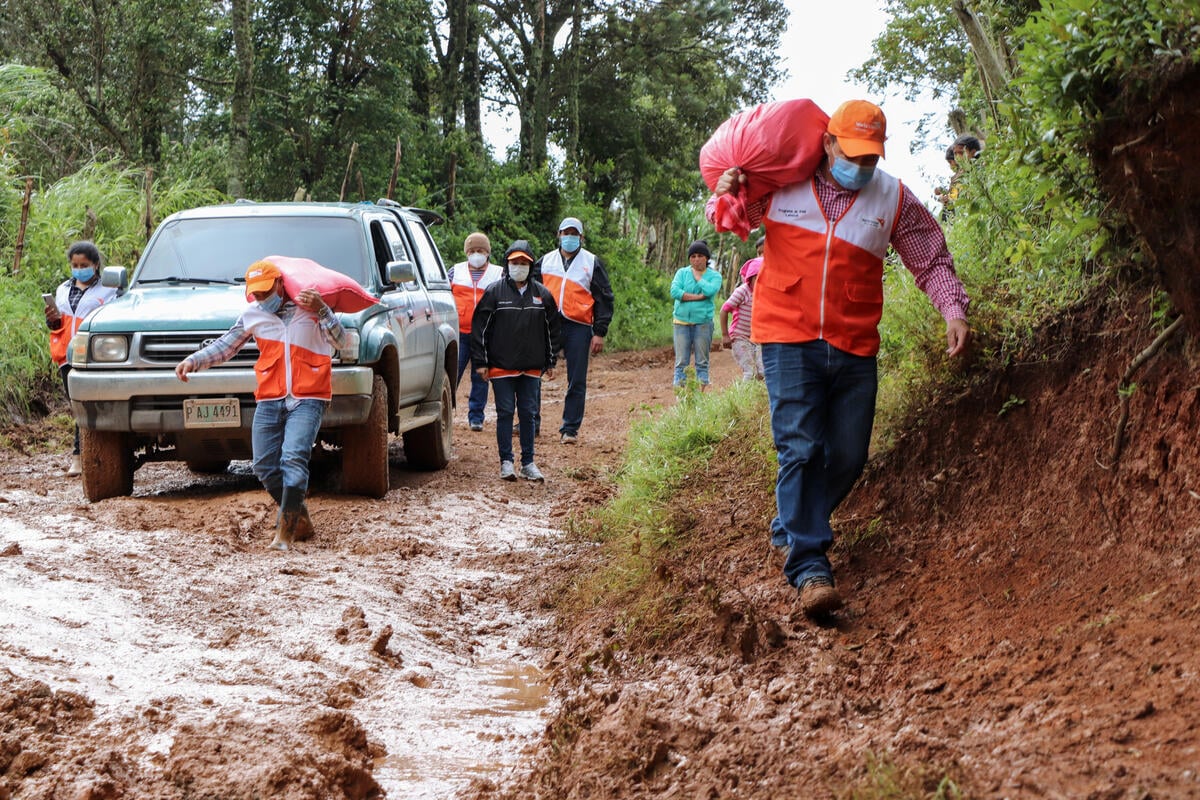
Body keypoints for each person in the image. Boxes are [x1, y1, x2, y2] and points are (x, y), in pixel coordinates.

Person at [709, 99, 971, 617]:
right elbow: (731, 216)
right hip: (787, 337)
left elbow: (929, 256)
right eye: (852, 154)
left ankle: (790, 523)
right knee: (801, 448)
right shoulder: (783, 184)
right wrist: (728, 191)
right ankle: (809, 568)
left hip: (854, 344)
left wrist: (952, 308)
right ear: (828, 143)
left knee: (849, 457)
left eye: (871, 157)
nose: (862, 166)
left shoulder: (893, 197)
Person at [174, 260, 345, 551]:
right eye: (257, 294)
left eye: (267, 292)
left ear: (281, 284)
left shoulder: (312, 309)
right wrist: (195, 360)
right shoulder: (253, 315)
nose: (262, 299)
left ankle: (284, 533)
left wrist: (323, 311)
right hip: (270, 396)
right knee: (264, 465)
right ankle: (298, 515)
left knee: (293, 458)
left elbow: (343, 342)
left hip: (309, 397)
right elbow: (227, 344)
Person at [471, 240, 561, 481]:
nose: (519, 266)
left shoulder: (542, 295)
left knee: (528, 413)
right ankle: (506, 462)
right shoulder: (494, 292)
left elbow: (553, 329)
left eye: (523, 263)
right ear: (507, 264)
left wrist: (550, 361)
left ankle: (528, 463)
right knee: (505, 412)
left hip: (531, 367)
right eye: (514, 262)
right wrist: (481, 362)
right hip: (501, 366)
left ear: (531, 266)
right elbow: (480, 328)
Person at [533, 217, 614, 444]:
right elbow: (529, 287)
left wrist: (600, 331)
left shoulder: (592, 262)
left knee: (576, 378)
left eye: (574, 233)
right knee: (532, 372)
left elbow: (604, 297)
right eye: (565, 233)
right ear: (558, 235)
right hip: (548, 323)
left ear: (581, 237)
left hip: (579, 326)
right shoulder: (546, 261)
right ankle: (531, 421)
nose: (569, 237)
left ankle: (570, 428)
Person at [45, 241, 118, 476]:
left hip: (96, 357)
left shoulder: (109, 290)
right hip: (67, 356)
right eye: (75, 265)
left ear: (95, 265)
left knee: (86, 406)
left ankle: (81, 456)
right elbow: (58, 324)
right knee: (77, 407)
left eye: (84, 265)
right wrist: (52, 318)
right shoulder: (62, 289)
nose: (79, 269)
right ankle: (82, 455)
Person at [449, 232, 504, 431]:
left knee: (480, 376)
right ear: (466, 253)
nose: (476, 254)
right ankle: (444, 412)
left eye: (480, 251)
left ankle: (476, 417)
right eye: (472, 251)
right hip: (459, 332)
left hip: (485, 335)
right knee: (452, 372)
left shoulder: (499, 273)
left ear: (488, 253)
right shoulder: (455, 271)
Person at [670, 241, 722, 390]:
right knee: (681, 362)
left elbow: (710, 291)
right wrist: (698, 297)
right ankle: (682, 398)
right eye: (693, 256)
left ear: (706, 258)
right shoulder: (682, 273)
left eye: (700, 256)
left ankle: (700, 396)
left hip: (703, 323)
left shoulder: (715, 276)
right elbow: (674, 292)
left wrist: (699, 278)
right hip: (681, 322)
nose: (696, 259)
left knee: (702, 361)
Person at [720, 257, 764, 381]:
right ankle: (744, 396)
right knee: (750, 371)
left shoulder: (767, 294)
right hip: (740, 337)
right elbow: (724, 310)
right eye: (758, 278)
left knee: (763, 371)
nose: (761, 282)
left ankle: (758, 397)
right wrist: (725, 335)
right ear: (750, 278)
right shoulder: (743, 292)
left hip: (759, 339)